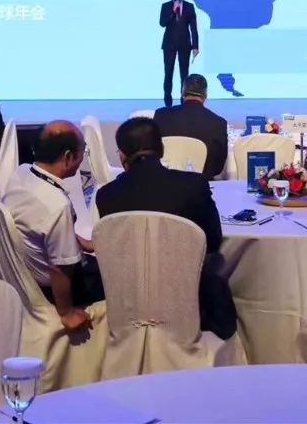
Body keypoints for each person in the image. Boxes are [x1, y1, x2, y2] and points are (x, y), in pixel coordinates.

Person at [95, 117, 236, 339]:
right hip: (189, 297)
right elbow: (213, 241)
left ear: (121, 155)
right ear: (161, 149)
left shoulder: (106, 196)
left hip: (130, 300)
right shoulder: (194, 185)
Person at [2, 121, 101, 332]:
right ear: (68, 157)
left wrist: (82, 242)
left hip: (23, 271)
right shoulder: (56, 206)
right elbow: (60, 268)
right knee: (119, 277)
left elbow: (42, 230)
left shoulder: (22, 173)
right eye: (83, 151)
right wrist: (66, 313)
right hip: (51, 287)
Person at [153, 74, 228, 179]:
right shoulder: (219, 123)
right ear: (205, 95)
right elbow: (218, 167)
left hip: (164, 181)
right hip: (202, 183)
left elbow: (152, 153)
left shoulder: (161, 115)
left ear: (182, 92)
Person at [159, 0, 199, 108]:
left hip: (184, 45)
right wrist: (173, 11)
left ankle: (184, 101)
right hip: (169, 44)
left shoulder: (189, 6)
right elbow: (162, 23)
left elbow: (193, 28)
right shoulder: (166, 6)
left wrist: (195, 46)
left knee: (184, 75)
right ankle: (168, 102)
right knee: (168, 73)